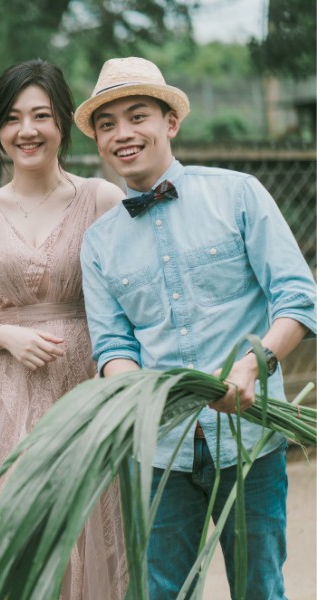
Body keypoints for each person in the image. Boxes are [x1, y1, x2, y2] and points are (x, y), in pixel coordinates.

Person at [76, 56, 317, 599]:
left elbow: (298, 299)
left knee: (260, 588)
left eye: (138, 116)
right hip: (159, 450)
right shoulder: (98, 244)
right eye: (106, 125)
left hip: (252, 439)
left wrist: (251, 367)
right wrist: (132, 389)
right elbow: (112, 343)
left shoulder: (238, 195)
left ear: (170, 123)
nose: (123, 134)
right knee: (163, 591)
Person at [0, 59, 128, 599]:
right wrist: (6, 336)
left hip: (86, 386)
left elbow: (131, 300)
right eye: (12, 119)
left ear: (63, 122)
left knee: (90, 525)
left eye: (40, 115)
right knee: (11, 525)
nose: (27, 130)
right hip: (8, 391)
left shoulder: (102, 200)